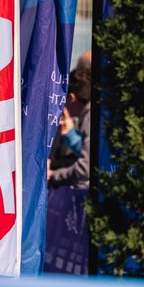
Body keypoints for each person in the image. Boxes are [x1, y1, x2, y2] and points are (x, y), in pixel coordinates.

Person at [48, 50, 92, 189]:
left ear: (71, 98)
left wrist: (53, 175)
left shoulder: (89, 115)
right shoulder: (88, 114)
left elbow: (85, 168)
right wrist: (70, 133)